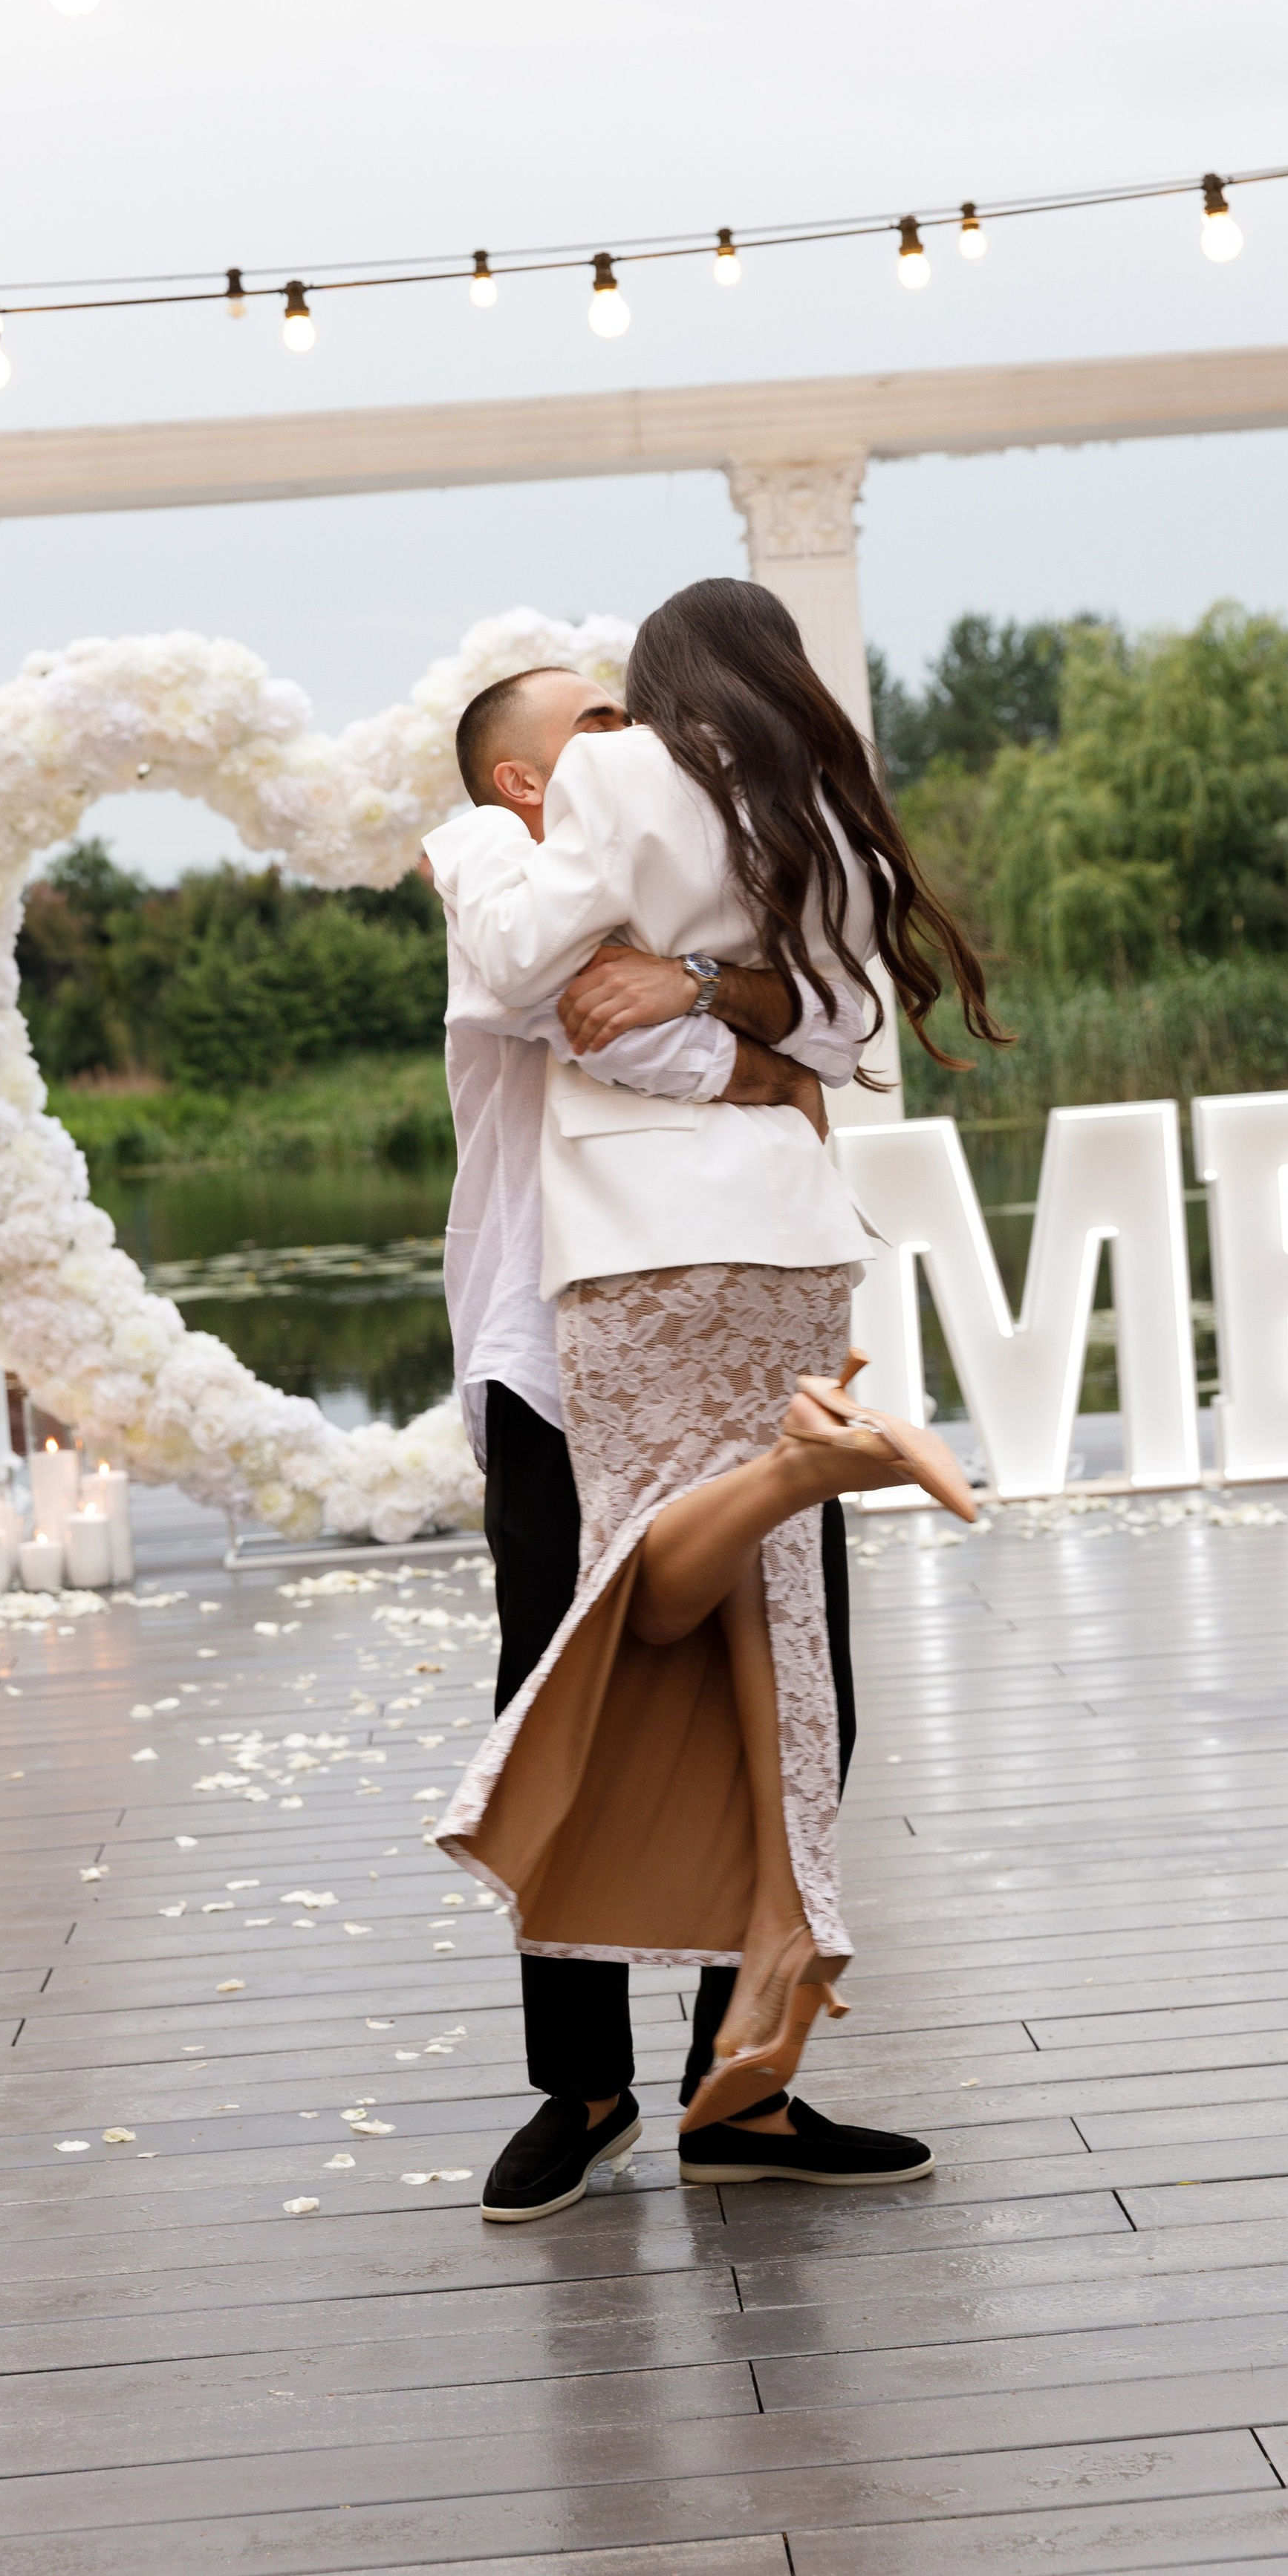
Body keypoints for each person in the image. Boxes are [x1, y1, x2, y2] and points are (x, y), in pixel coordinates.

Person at [428, 580, 1001, 2208]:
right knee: (569, 1697)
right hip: (556, 1352)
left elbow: (846, 1017)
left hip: (731, 1328)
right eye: (593, 727)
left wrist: (727, 1001)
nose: (636, 745)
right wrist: (756, 1036)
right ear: (527, 785)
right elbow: (621, 1035)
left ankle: (729, 2089)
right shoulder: (495, 885)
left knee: (799, 1697)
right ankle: (580, 2086)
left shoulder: (682, 874)